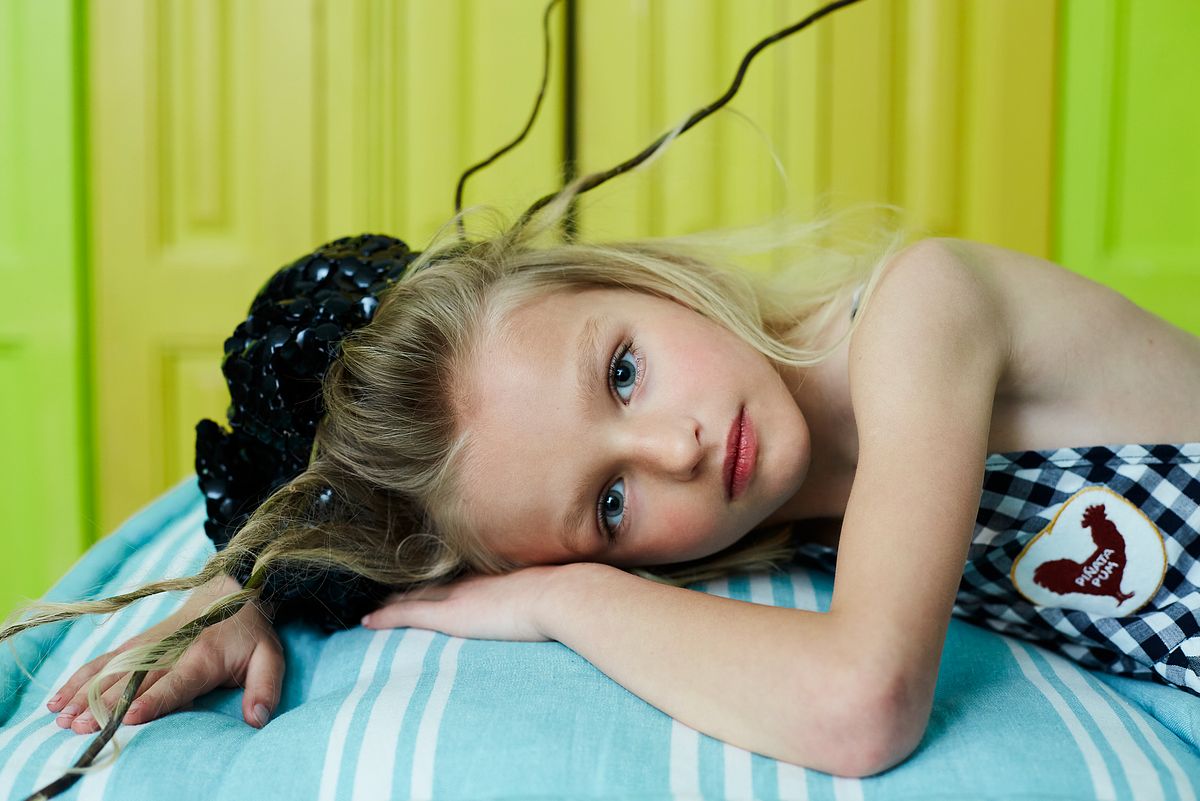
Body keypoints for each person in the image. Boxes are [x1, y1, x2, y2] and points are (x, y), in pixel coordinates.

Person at [15, 181, 1200, 779]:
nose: (676, 449)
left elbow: (862, 702)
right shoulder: (786, 513)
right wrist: (239, 590)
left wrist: (565, 596)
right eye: (611, 507)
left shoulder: (922, 314)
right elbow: (367, 529)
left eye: (624, 373)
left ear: (632, 280)